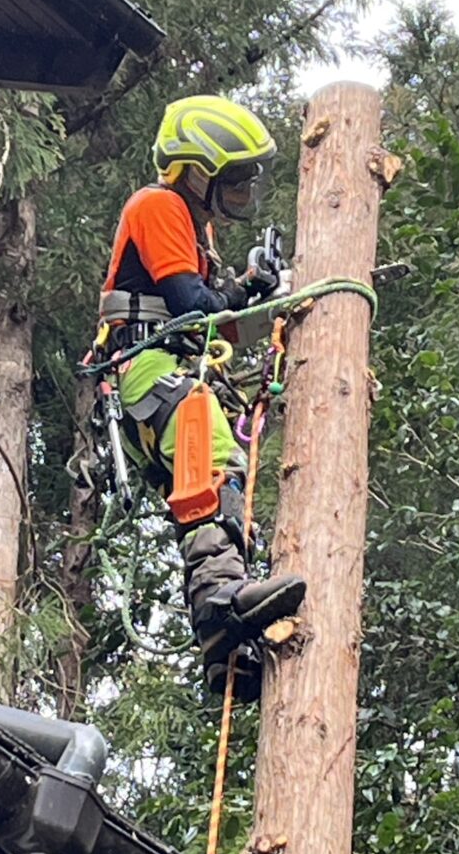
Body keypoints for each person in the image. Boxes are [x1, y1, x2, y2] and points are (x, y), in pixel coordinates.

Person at [97, 95, 306, 700]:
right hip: (148, 367)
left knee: (226, 474)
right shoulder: (158, 205)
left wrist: (249, 288)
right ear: (196, 171)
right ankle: (220, 601)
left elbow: (216, 320)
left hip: (167, 368)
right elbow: (195, 308)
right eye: (232, 176)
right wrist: (254, 297)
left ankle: (225, 649)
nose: (242, 188)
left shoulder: (197, 229)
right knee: (213, 458)